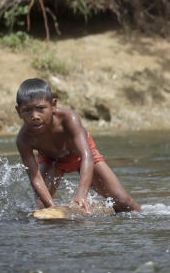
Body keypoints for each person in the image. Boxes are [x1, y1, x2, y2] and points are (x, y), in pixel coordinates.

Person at [14, 78, 141, 213]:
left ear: (53, 105)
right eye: (27, 110)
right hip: (52, 160)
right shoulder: (23, 139)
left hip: (82, 157)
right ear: (18, 111)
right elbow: (35, 176)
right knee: (40, 209)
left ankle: (139, 217)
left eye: (41, 108)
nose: (34, 116)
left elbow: (86, 156)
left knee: (124, 202)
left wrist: (81, 194)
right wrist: (52, 207)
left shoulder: (69, 118)